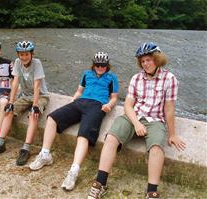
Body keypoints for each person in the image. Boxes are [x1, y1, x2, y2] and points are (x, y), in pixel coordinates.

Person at [87, 42, 186, 199]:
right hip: (134, 115)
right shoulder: (136, 78)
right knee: (111, 137)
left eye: (149, 59)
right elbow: (128, 105)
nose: (145, 64)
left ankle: (151, 191)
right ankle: (100, 183)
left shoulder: (170, 79)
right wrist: (136, 123)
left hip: (155, 119)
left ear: (157, 59)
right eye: (143, 61)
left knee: (156, 147)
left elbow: (169, 109)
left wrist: (172, 134)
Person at [29, 52, 119, 191]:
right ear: (93, 64)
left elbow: (114, 98)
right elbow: (79, 91)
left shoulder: (112, 78)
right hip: (80, 102)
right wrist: (73, 100)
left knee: (83, 136)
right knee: (52, 118)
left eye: (103, 65)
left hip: (97, 105)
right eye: (98, 65)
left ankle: (74, 172)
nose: (100, 67)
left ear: (108, 65)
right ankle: (45, 154)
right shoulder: (86, 74)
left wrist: (109, 105)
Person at [0, 40, 50, 167]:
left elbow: (37, 85)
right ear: (18, 55)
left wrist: (35, 106)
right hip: (25, 96)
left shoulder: (37, 63)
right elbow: (15, 83)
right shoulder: (18, 62)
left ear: (31, 54)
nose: (24, 57)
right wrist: (11, 102)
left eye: (26, 54)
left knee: (33, 115)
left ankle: (26, 148)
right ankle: (0, 143)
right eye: (21, 54)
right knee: (9, 111)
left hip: (40, 96)